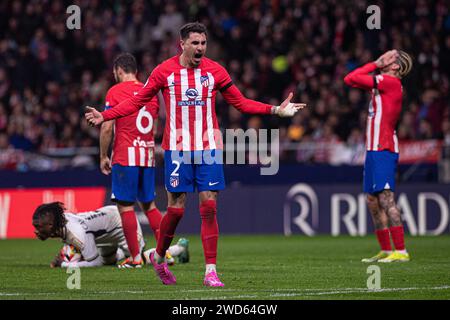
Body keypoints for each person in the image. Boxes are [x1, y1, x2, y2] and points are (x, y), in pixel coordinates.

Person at [85, 22, 306, 286]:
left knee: (210, 206)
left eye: (203, 43)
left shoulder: (215, 71)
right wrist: (105, 115)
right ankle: (158, 255)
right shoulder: (164, 71)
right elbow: (137, 101)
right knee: (176, 211)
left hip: (208, 147)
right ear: (183, 44)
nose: (200, 48)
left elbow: (241, 102)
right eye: (195, 43)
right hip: (177, 149)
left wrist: (275, 111)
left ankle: (210, 271)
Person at [344, 49, 413, 263]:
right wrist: (376, 63)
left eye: (390, 56)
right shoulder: (383, 83)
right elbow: (349, 80)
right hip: (373, 149)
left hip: (383, 148)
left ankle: (401, 251)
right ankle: (385, 249)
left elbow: (352, 77)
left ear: (395, 66)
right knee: (372, 200)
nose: (385, 56)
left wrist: (374, 63)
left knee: (386, 198)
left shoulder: (389, 82)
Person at [100, 53, 166, 268]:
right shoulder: (152, 93)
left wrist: (103, 155)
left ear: (119, 71)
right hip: (146, 156)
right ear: (135, 71)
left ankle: (136, 258)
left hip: (125, 155)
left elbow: (107, 126)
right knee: (150, 206)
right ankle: (164, 254)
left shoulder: (115, 91)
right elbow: (154, 130)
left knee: (125, 207)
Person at [32, 202, 189, 268]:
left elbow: (95, 264)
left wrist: (65, 264)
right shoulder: (63, 222)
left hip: (122, 226)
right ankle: (124, 252)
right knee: (109, 261)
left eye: (38, 227)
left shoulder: (76, 232)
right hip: (106, 235)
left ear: (50, 226)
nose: (36, 231)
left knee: (139, 259)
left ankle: (179, 248)